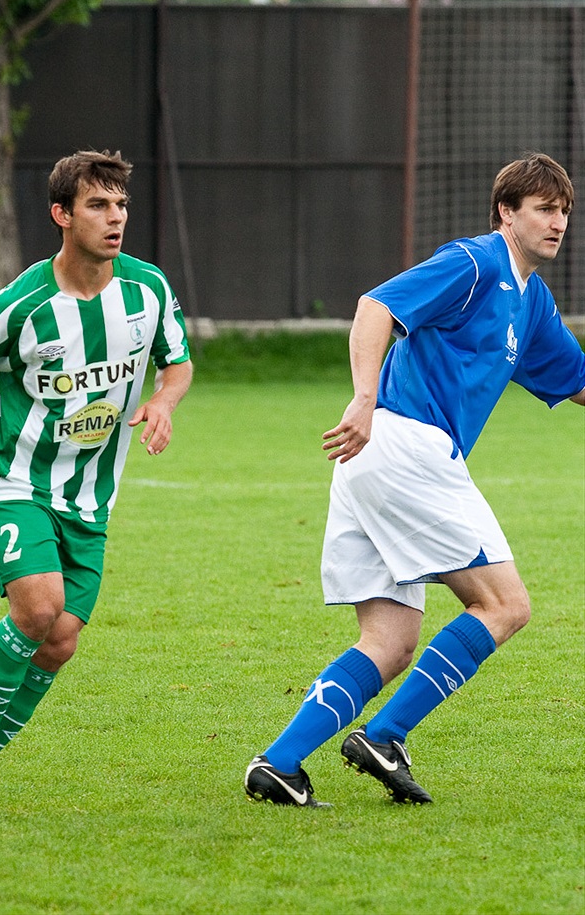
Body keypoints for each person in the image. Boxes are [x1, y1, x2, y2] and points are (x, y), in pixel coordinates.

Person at [244, 151, 585, 808]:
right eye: (544, 208)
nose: (558, 222)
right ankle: (385, 734)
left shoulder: (532, 301)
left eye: (564, 211)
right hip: (405, 444)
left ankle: (279, 764)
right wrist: (363, 397)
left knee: (391, 642)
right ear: (506, 212)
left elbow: (577, 381)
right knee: (506, 605)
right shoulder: (475, 263)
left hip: (376, 460)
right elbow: (376, 307)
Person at [0, 149, 193, 819]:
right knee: (37, 610)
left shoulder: (147, 289)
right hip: (15, 482)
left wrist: (164, 400)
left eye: (120, 204)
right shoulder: (24, 303)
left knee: (59, 640)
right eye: (98, 204)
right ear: (62, 214)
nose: (115, 217)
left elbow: (177, 362)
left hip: (90, 501)